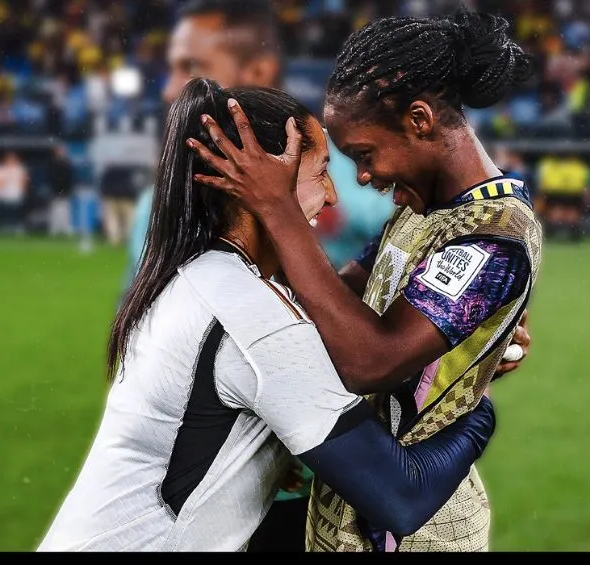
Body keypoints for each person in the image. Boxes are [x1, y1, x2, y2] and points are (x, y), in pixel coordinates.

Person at [122, 2, 534, 551]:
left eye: (364, 154)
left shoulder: (494, 234)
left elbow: (370, 360)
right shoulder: (420, 209)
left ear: (420, 120)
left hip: (416, 527)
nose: (363, 176)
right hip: (349, 509)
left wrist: (281, 213)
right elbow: (336, 294)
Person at [37, 79, 497, 553]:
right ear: (262, 185)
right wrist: (476, 409)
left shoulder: (197, 276)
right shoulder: (252, 318)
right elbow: (402, 497)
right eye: (320, 172)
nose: (333, 195)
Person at [47, 144, 75, 237]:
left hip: (65, 189)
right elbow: (51, 177)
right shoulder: (53, 163)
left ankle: (65, 227)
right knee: (55, 209)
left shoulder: (67, 163)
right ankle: (55, 228)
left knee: (65, 209)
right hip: (55, 189)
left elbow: (69, 177)